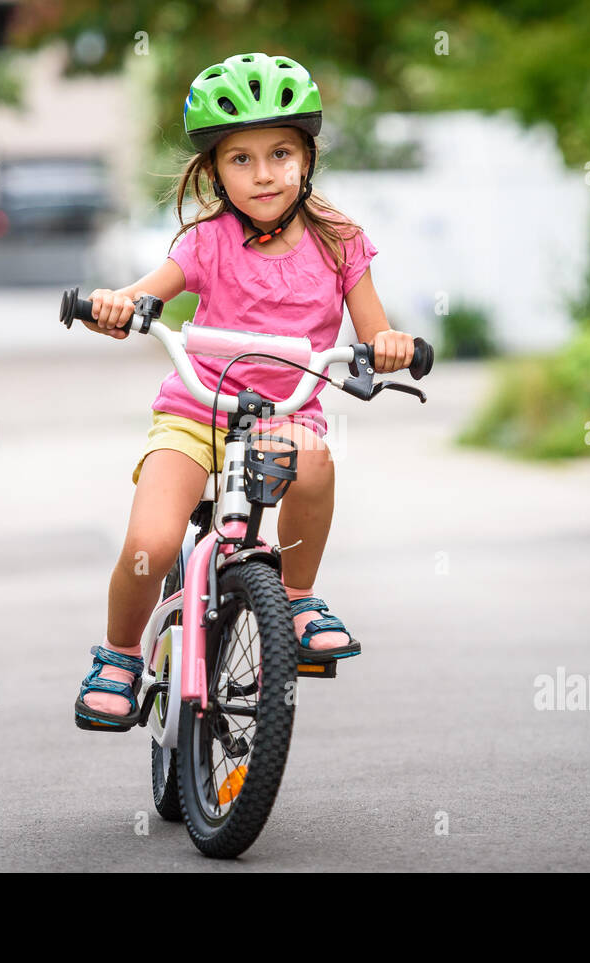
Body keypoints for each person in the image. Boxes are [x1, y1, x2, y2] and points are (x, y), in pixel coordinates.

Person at [75, 51, 416, 731]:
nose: (264, 173)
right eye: (241, 159)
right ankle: (117, 655)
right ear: (213, 170)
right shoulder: (205, 244)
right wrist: (118, 306)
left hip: (283, 417)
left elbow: (375, 333)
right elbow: (144, 297)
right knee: (152, 535)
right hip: (195, 413)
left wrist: (390, 346)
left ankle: (295, 597)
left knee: (316, 461)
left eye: (281, 153)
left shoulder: (341, 241)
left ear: (307, 157)